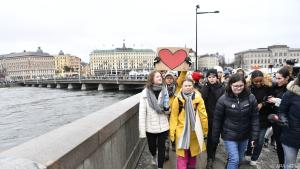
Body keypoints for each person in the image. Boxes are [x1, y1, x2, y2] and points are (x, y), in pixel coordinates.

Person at [212, 74, 259, 169]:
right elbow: (217, 120)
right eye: (235, 86)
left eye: (241, 85)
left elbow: (255, 118)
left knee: (240, 159)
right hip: (229, 134)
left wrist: (254, 136)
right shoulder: (223, 100)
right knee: (234, 159)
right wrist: (215, 138)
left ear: (245, 85)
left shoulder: (251, 98)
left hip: (244, 134)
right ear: (230, 85)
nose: (238, 88)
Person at [169, 78, 208, 169]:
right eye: (185, 85)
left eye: (189, 85)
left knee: (192, 154)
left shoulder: (198, 99)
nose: (187, 87)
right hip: (181, 132)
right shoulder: (177, 100)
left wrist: (205, 130)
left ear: (193, 86)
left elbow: (203, 116)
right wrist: (172, 133)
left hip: (194, 131)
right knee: (182, 155)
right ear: (181, 87)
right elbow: (174, 117)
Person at [139, 70, 170, 169]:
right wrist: (142, 131)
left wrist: (167, 109)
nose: (160, 78)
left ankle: (160, 167)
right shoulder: (145, 93)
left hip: (163, 126)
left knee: (162, 148)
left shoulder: (165, 91)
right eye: (157, 77)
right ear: (152, 79)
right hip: (150, 127)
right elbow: (142, 113)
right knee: (152, 147)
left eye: (160, 76)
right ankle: (153, 155)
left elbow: (167, 108)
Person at [244, 70, 273, 166]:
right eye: (256, 81)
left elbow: (271, 101)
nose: (258, 83)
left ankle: (254, 158)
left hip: (263, 117)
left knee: (260, 140)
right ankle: (248, 151)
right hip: (250, 117)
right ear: (252, 80)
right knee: (250, 137)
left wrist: (263, 104)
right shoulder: (248, 88)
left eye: (260, 81)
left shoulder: (268, 88)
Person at [200, 69, 225, 169]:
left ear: (217, 77)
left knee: (215, 139)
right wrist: (206, 87)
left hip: (218, 117)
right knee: (210, 139)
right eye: (209, 77)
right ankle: (209, 159)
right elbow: (203, 97)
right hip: (208, 117)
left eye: (213, 77)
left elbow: (222, 101)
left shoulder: (222, 88)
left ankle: (212, 154)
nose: (211, 79)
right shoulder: (205, 87)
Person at [267, 67, 291, 168]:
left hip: (288, 120)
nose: (277, 80)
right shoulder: (274, 86)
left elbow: (290, 103)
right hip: (276, 119)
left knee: (288, 145)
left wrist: (276, 100)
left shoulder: (292, 88)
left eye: (280, 78)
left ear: (287, 78)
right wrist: (268, 99)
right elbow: (267, 97)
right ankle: (281, 164)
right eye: (276, 78)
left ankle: (288, 164)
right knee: (279, 144)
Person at [278, 72, 300, 169]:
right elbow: (281, 111)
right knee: (289, 165)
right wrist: (284, 121)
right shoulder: (291, 93)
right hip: (291, 134)